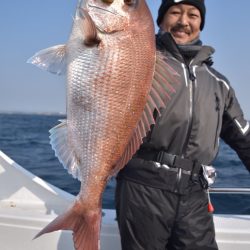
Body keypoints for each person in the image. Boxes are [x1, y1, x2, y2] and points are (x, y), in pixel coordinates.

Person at [115, 0, 250, 249]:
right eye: (175, 13)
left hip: (194, 193)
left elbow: (244, 138)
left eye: (193, 15)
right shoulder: (137, 64)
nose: (183, 22)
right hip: (143, 187)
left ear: (201, 24)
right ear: (159, 21)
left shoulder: (219, 83)